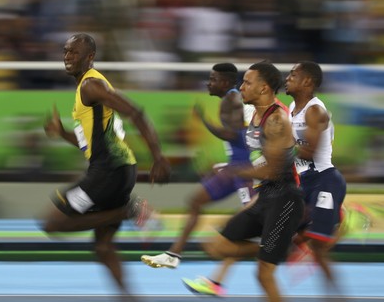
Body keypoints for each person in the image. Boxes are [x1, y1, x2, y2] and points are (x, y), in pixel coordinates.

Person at [41, 33, 171, 298]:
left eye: (74, 53)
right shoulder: (85, 88)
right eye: (65, 51)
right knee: (103, 247)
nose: (67, 57)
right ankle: (128, 297)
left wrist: (158, 157)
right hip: (118, 170)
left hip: (108, 172)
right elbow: (89, 142)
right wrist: (62, 133)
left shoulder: (91, 86)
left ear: (90, 57)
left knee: (52, 223)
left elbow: (136, 112)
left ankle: (130, 211)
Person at [141, 63, 253, 296]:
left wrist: (204, 121)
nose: (208, 83)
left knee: (247, 226)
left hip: (247, 172)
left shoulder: (231, 101)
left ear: (225, 82)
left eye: (212, 79)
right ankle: (174, 255)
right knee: (195, 201)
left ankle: (218, 281)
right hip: (234, 168)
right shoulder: (231, 100)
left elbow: (232, 134)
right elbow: (239, 139)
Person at [201, 61, 304, 302]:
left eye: (247, 82)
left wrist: (233, 172)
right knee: (216, 246)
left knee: (264, 274)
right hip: (266, 195)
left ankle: (276, 250)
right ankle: (282, 249)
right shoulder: (256, 114)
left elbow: (273, 171)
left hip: (284, 199)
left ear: (264, 88)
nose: (241, 86)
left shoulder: (277, 120)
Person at [285, 61, 347, 292]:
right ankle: (338, 218)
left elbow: (308, 151)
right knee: (284, 235)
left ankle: (337, 297)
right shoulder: (291, 109)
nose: (287, 78)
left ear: (307, 82)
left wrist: (277, 149)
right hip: (305, 183)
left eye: (293, 75)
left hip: (325, 180)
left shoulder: (315, 110)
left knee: (319, 248)